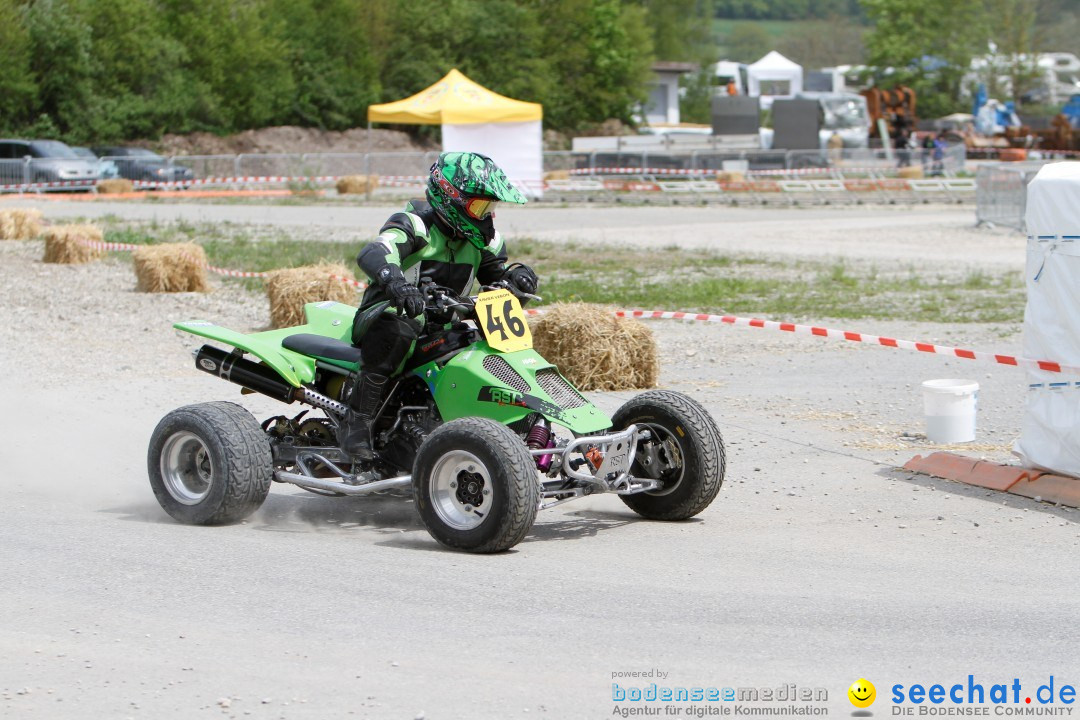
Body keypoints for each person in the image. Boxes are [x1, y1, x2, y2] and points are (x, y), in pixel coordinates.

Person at [339, 151, 538, 460]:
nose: (486, 215)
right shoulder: (414, 224)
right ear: (450, 196)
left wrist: (518, 279)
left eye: (490, 207)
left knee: (487, 339)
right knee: (402, 326)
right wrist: (398, 285)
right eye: (479, 206)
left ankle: (521, 419)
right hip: (386, 316)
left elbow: (496, 279)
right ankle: (358, 422)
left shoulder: (481, 241)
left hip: (441, 323)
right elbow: (376, 251)